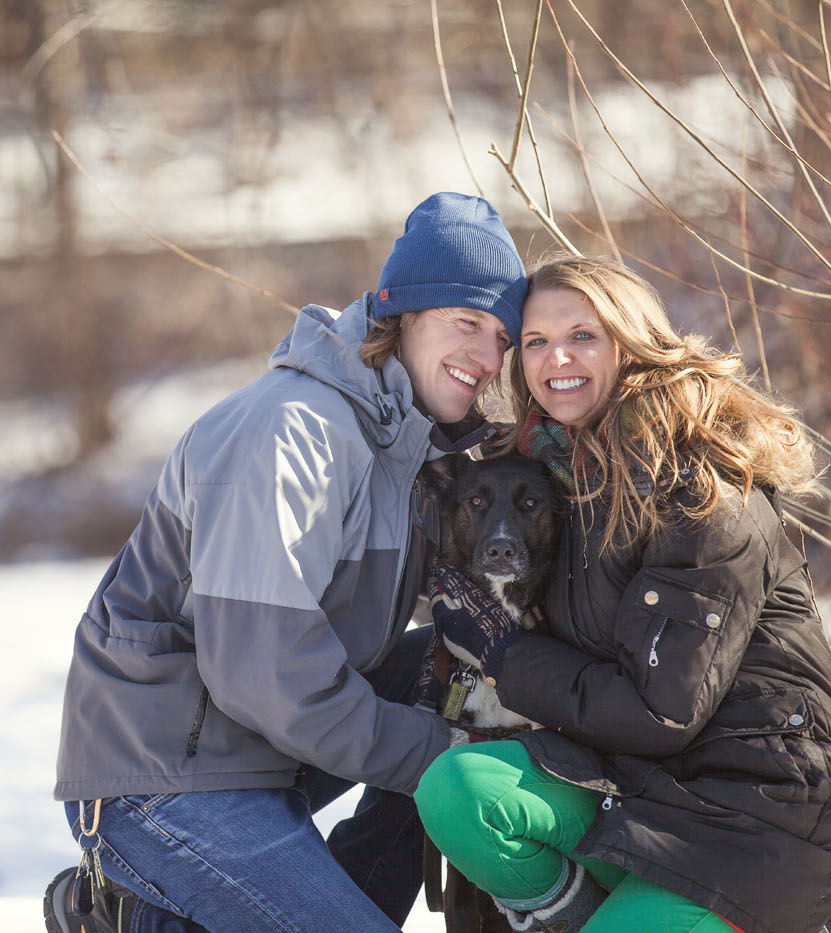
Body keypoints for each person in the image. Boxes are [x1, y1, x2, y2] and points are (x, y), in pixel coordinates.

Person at [44, 192, 529, 932]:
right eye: (467, 322)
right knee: (440, 742)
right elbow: (265, 674)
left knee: (443, 670)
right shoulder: (293, 433)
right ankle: (136, 914)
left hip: (258, 746)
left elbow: (461, 611)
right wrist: (448, 753)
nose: (488, 356)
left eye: (500, 335)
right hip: (168, 773)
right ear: (402, 314)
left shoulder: (407, 445)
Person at [414, 255, 831, 933]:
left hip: (751, 815)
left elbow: (662, 710)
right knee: (456, 791)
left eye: (582, 335)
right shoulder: (557, 472)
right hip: (628, 785)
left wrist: (506, 654)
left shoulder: (703, 485)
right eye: (535, 341)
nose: (555, 356)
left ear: (632, 342)